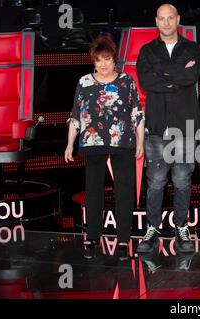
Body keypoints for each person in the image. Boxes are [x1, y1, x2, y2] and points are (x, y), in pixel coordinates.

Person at [65, 35, 145, 259]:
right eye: (98, 60)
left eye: (107, 59)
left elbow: (137, 113)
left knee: (124, 190)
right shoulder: (84, 82)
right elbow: (75, 115)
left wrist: (140, 142)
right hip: (92, 141)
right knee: (93, 190)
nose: (103, 64)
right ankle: (92, 236)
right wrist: (70, 144)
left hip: (123, 141)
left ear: (114, 60)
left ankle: (123, 238)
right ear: (93, 60)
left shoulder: (126, 81)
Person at [135, 3, 200, 254]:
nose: (165, 23)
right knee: (156, 182)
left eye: (170, 18)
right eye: (161, 19)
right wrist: (175, 75)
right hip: (156, 127)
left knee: (183, 180)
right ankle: (152, 228)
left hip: (185, 127)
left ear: (178, 20)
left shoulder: (192, 48)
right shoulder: (147, 50)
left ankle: (181, 227)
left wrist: (162, 75)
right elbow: (146, 81)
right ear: (156, 21)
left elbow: (191, 76)